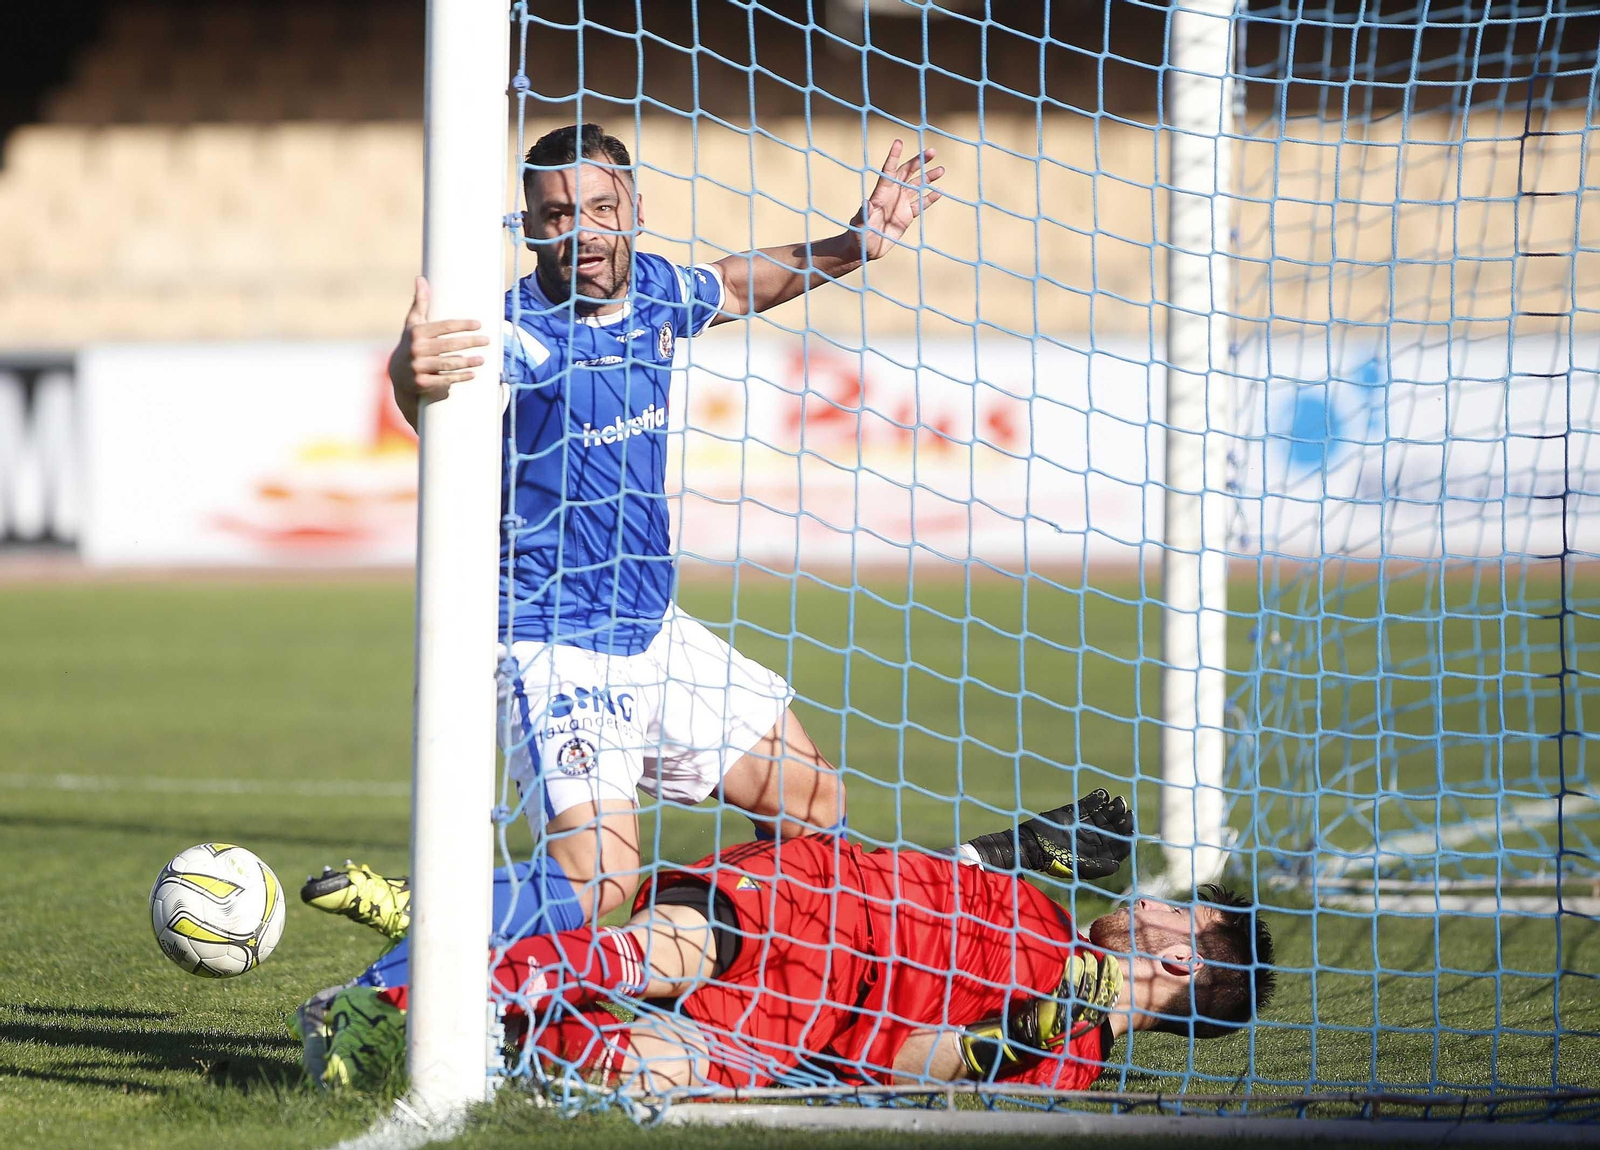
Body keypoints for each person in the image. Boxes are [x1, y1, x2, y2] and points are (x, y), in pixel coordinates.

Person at [365, 122, 947, 947]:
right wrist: (405, 372)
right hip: (553, 640)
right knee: (600, 880)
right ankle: (410, 947)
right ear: (529, 226)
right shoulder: (513, 336)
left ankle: (753, 975)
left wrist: (851, 246)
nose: (584, 231)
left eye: (602, 207)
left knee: (815, 807)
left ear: (635, 207)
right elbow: (428, 400)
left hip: (655, 634)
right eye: (559, 214)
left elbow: (739, 285)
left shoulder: (659, 296)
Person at [294, 794, 1275, 1095]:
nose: (1156, 901)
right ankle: (390, 1009)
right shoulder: (1047, 908)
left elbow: (905, 1061)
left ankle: (446, 934)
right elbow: (910, 878)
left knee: (636, 1072)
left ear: (1185, 957)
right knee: (649, 947)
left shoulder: (1068, 1063)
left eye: (1179, 909)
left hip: (808, 1021)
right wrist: (1016, 846)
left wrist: (1010, 1039)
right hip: (805, 900)